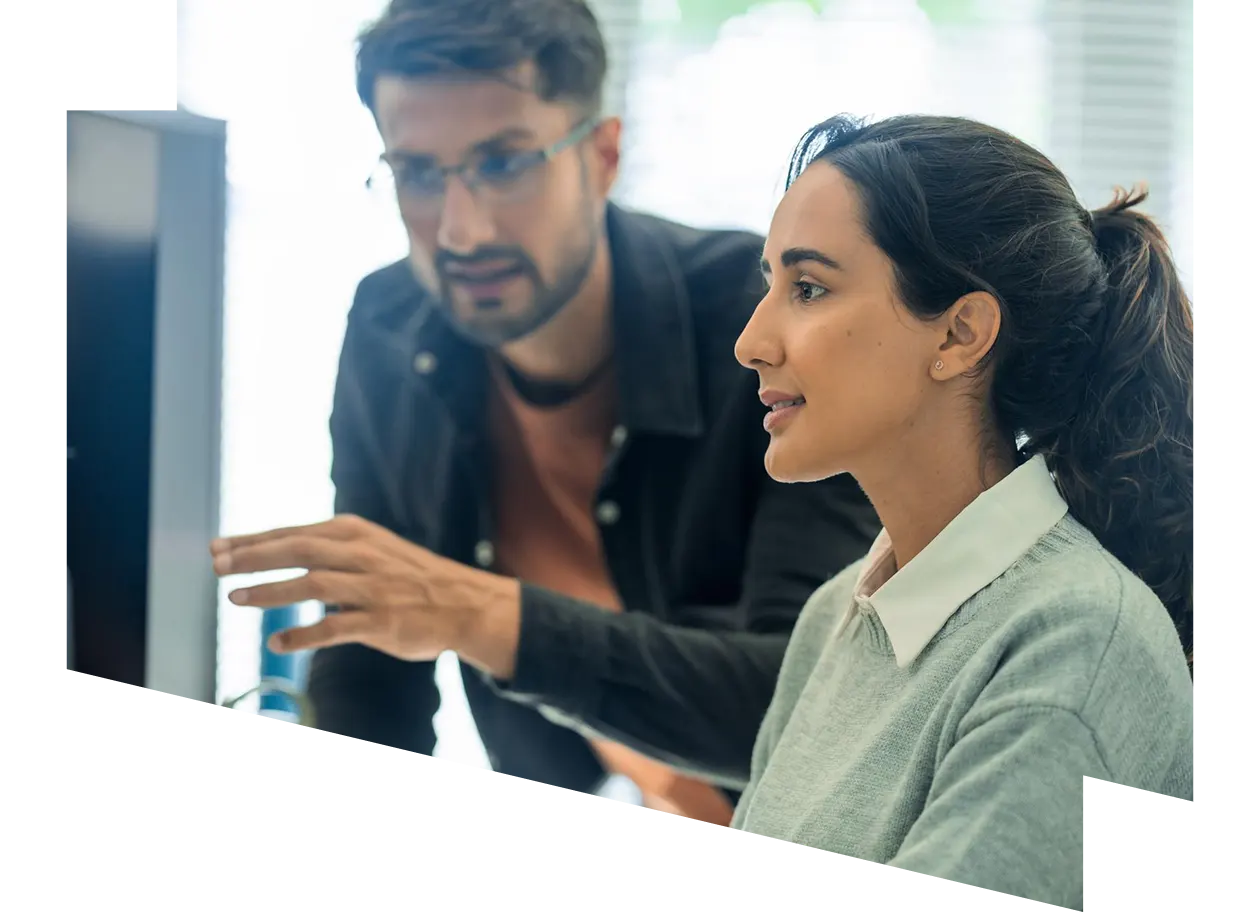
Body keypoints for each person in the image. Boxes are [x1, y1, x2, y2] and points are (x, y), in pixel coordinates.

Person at [209, 0, 880, 829]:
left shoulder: (766, 330)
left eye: (503, 165)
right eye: (419, 172)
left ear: (603, 156)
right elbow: (372, 654)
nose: (461, 230)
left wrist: (478, 615)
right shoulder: (389, 326)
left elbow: (814, 708)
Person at [725, 113, 1198, 908]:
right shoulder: (834, 615)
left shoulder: (1078, 640)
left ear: (961, 333)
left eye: (807, 288)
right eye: (766, 284)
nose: (751, 340)